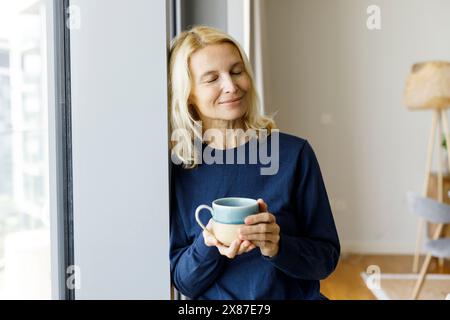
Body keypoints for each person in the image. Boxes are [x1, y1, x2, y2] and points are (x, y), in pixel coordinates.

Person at [168, 25, 340, 300]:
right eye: (212, 78)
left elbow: (326, 260)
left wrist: (278, 245)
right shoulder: (180, 168)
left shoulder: (293, 154)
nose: (231, 86)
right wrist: (208, 242)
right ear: (189, 94)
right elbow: (184, 283)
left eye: (237, 71)